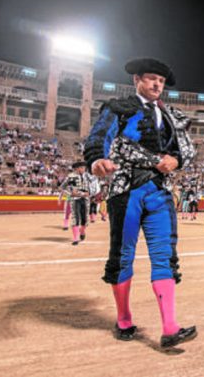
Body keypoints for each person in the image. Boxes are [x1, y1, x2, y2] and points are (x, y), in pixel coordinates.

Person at [83, 57, 197, 348]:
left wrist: (178, 159)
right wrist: (97, 159)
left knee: (165, 256)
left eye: (160, 81)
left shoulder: (171, 114)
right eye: (150, 79)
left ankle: (170, 326)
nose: (157, 84)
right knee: (122, 256)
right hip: (127, 190)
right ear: (137, 81)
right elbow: (99, 137)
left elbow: (186, 150)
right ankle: (123, 318)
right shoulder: (118, 108)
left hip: (159, 192)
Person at [61, 161, 90, 245]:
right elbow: (62, 188)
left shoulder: (87, 177)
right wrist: (70, 194)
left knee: (85, 219)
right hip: (74, 200)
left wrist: (89, 193)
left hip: (85, 199)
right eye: (82, 167)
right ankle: (75, 238)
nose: (83, 169)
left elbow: (92, 188)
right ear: (76, 169)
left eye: (84, 167)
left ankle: (82, 231)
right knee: (75, 217)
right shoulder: (70, 177)